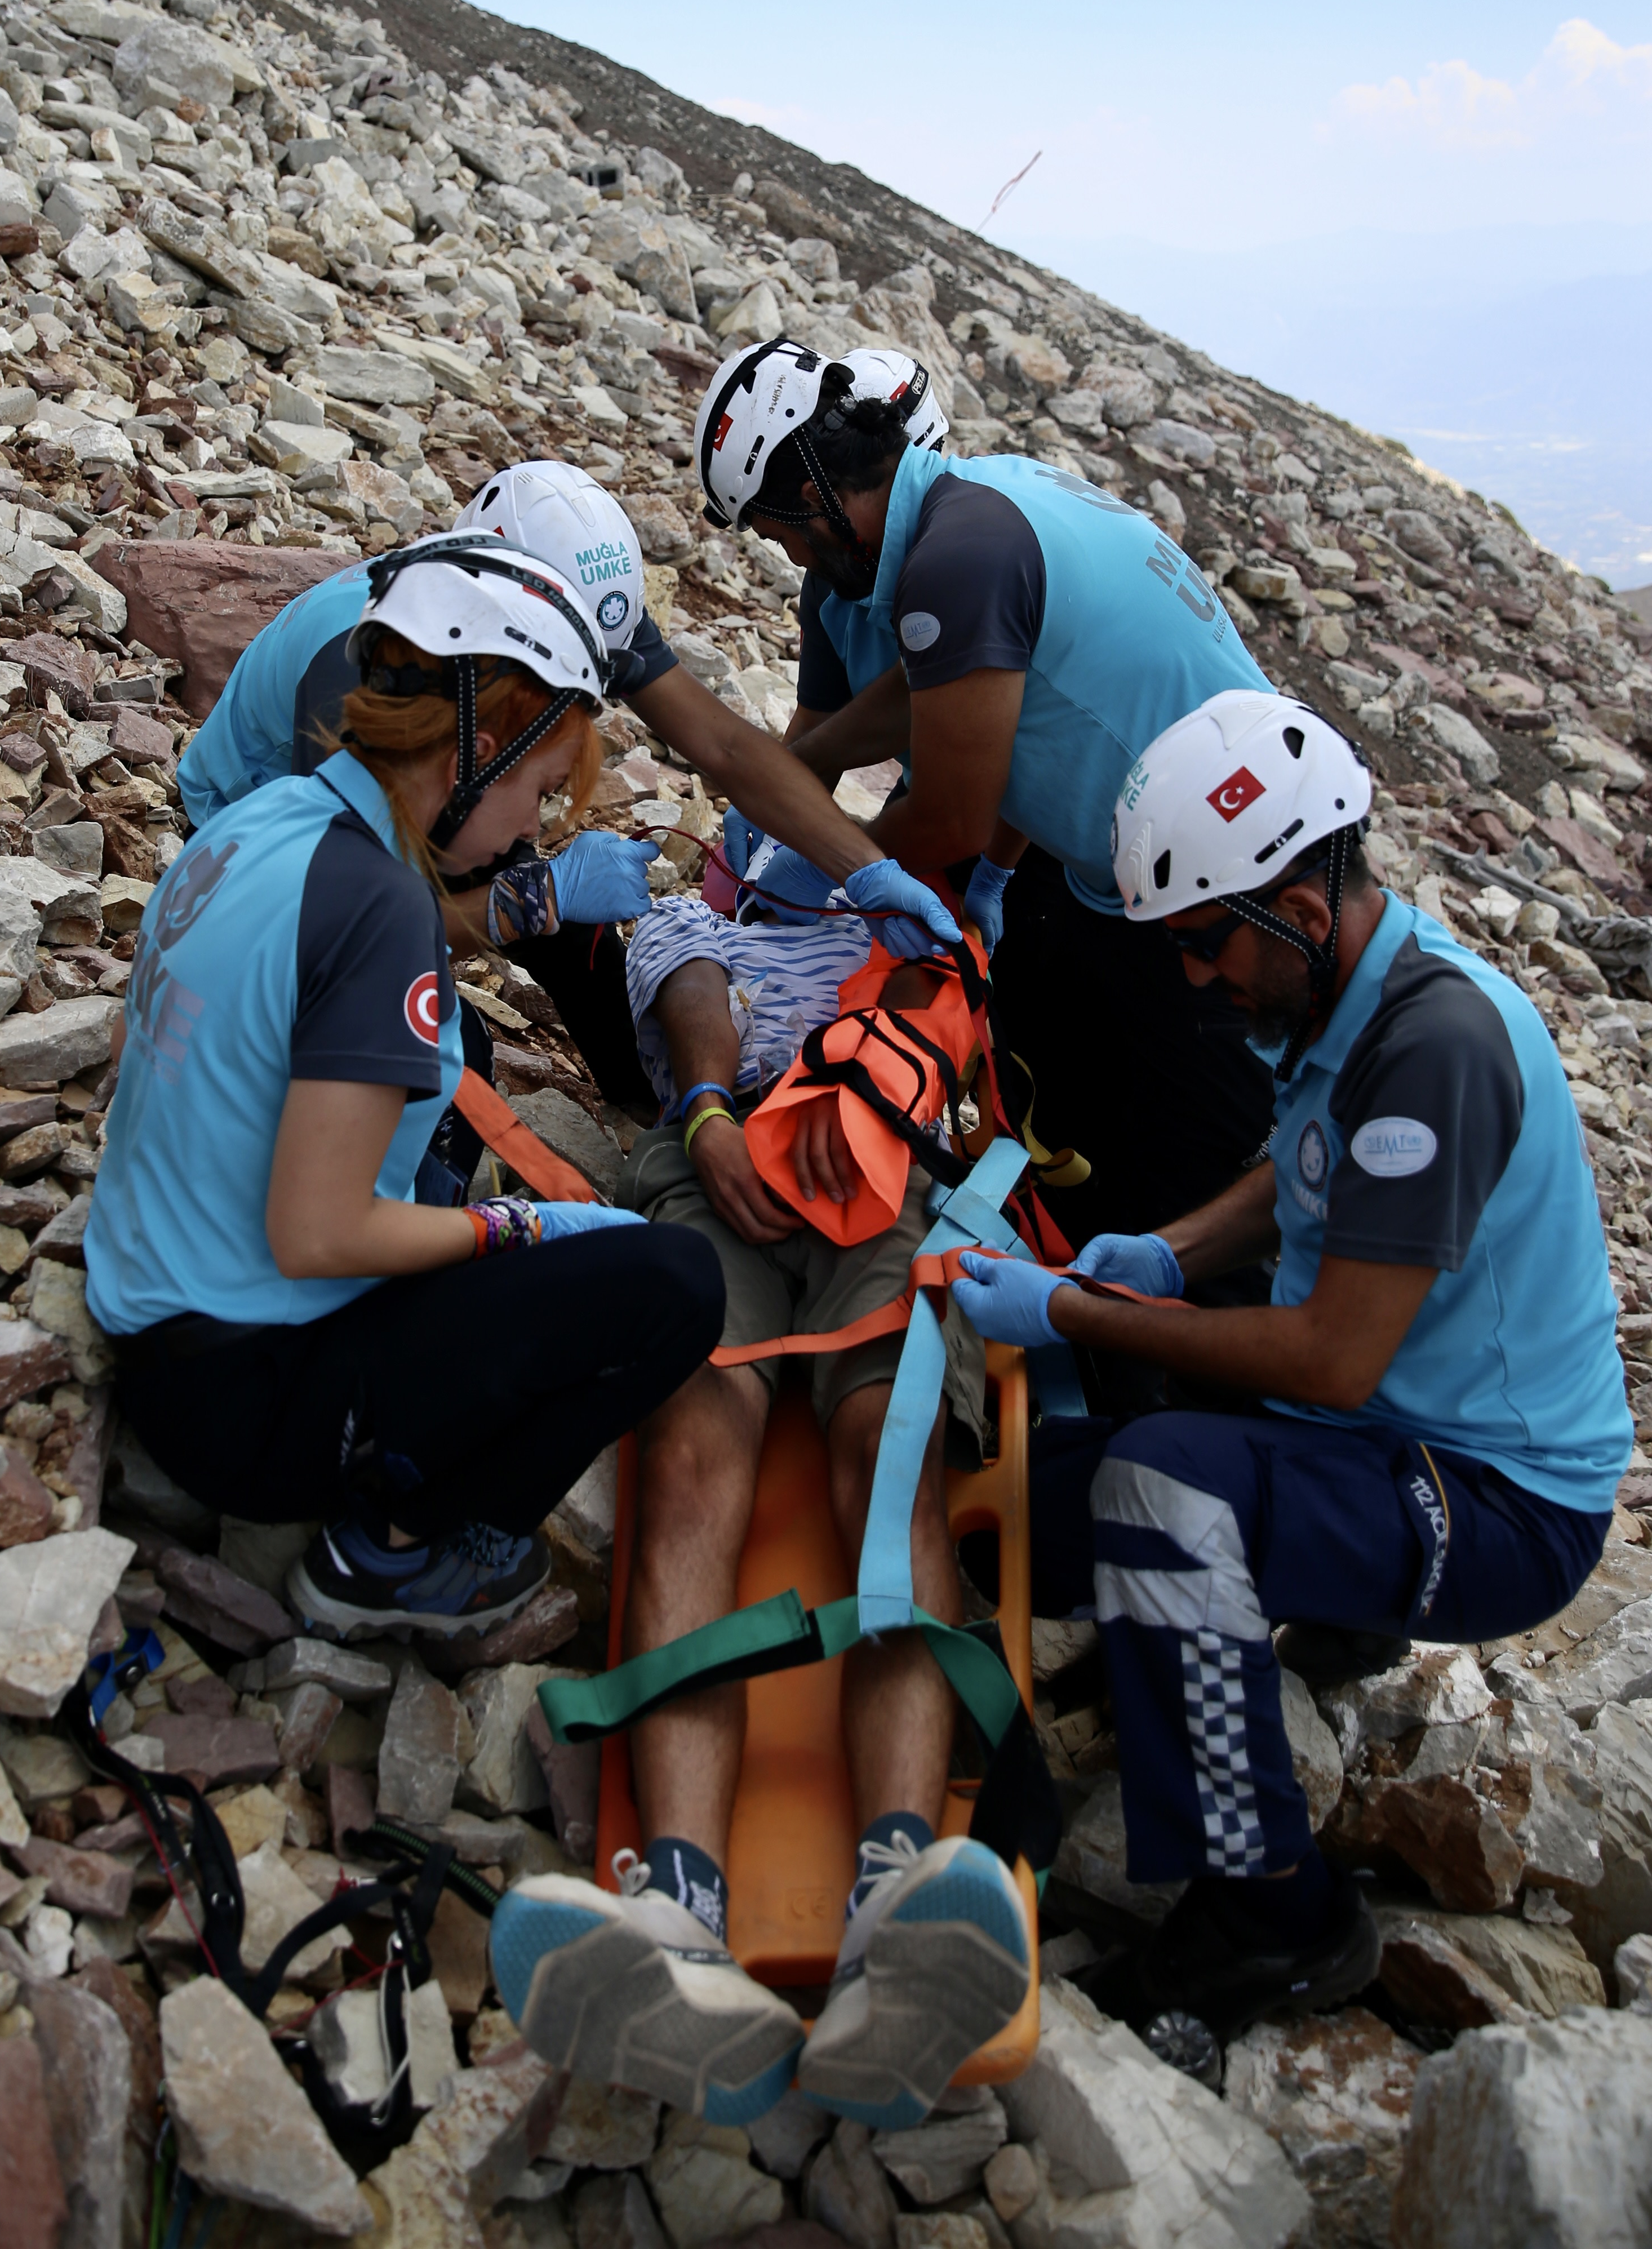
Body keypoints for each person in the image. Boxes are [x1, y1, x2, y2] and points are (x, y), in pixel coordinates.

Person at [945, 690, 1631, 2050]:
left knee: (1157, 1493)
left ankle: (1274, 1912)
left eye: (1204, 948)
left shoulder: (1436, 1047)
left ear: (1300, 916)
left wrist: (1082, 1315)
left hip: (1501, 1499)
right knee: (1031, 1502)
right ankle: (1299, 1613)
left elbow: (1328, 1359)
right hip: (1397, 1428)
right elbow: (1302, 1176)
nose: (1194, 981)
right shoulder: (1365, 996)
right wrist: (1167, 1251)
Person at [85, 535, 726, 1641]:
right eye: (533, 787)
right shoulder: (382, 909)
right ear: (476, 751)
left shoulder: (267, 820)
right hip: (246, 1401)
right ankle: (396, 1558)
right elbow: (319, 1235)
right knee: (674, 1281)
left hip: (154, 1319)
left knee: (455, 1048)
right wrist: (507, 1230)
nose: (531, 827)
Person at [490, 888, 1030, 2128]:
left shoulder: (913, 921)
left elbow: (958, 1024)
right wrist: (716, 1112)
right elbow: (694, 1006)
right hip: (715, 1164)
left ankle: (897, 1906)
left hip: (887, 1182)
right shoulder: (698, 918)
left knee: (883, 1459)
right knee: (688, 1462)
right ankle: (678, 1909)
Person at [694, 339, 1278, 1252]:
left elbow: (953, 817)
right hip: (1185, 859)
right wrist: (798, 780)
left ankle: (1152, 1368)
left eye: (780, 535)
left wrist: (833, 865)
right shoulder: (979, 499)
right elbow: (945, 694)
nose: (792, 558)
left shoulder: (957, 563)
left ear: (810, 498)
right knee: (1105, 1135)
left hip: (1230, 898)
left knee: (1185, 1186)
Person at [177, 459, 962, 1108]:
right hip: (263, 835)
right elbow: (342, 921)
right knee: (452, 1043)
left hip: (429, 786)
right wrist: (529, 897)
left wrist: (865, 871)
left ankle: (655, 1105)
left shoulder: (566, 605)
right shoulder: (365, 662)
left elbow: (722, 744)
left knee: (571, 921)